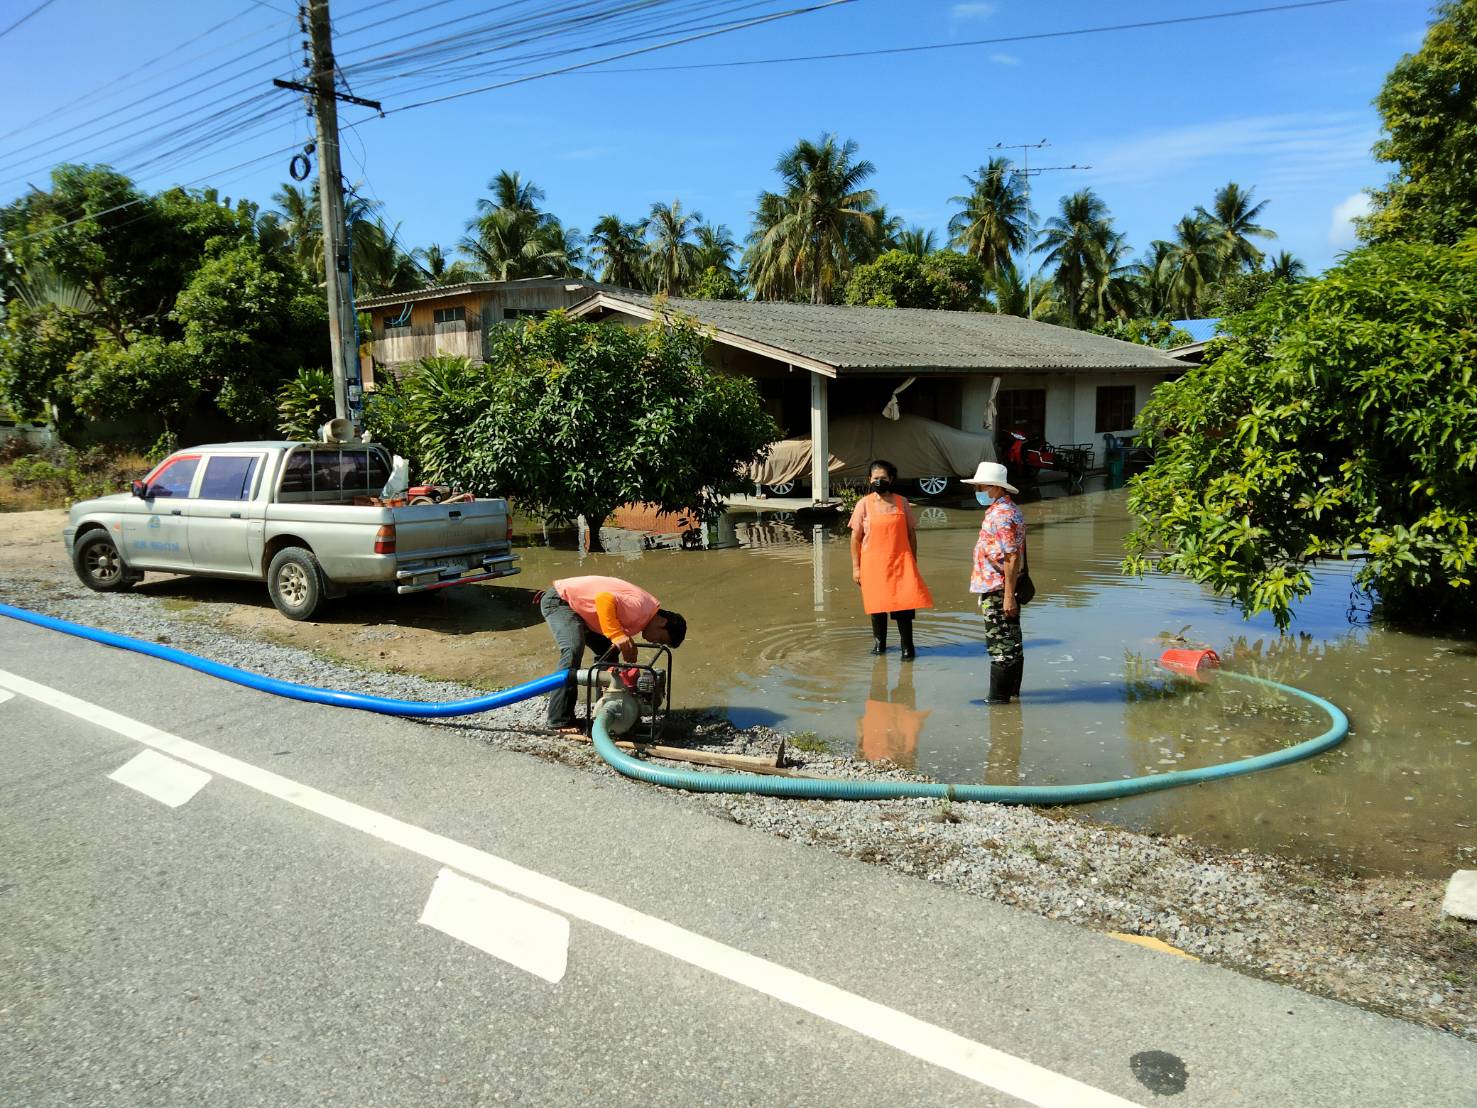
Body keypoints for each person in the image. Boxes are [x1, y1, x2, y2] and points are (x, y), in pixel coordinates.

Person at [540, 575, 686, 732]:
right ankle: (559, 719)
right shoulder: (641, 608)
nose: (655, 643)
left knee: (608, 652)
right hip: (561, 601)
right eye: (661, 639)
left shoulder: (645, 613)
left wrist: (623, 639)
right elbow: (604, 599)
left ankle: (605, 708)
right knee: (573, 649)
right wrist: (617, 634)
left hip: (580, 608)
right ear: (663, 622)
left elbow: (617, 612)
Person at [849, 459, 933, 659]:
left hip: (900, 564)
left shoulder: (902, 502)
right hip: (873, 566)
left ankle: (907, 649)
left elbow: (911, 534)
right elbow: (855, 538)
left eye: (883, 478)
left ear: (891, 479)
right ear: (870, 480)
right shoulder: (864, 504)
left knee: (904, 606)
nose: (879, 481)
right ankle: (880, 647)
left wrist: (913, 560)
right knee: (877, 607)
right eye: (876, 478)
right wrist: (856, 568)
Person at [965, 460, 1025, 704]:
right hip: (1002, 587)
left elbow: (1012, 556)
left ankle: (998, 701)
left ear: (997, 488)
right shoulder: (1007, 510)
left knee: (1000, 646)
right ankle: (1011, 695)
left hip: (998, 589)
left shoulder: (1001, 515)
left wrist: (1008, 596)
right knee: (1012, 642)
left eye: (981, 487)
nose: (978, 492)